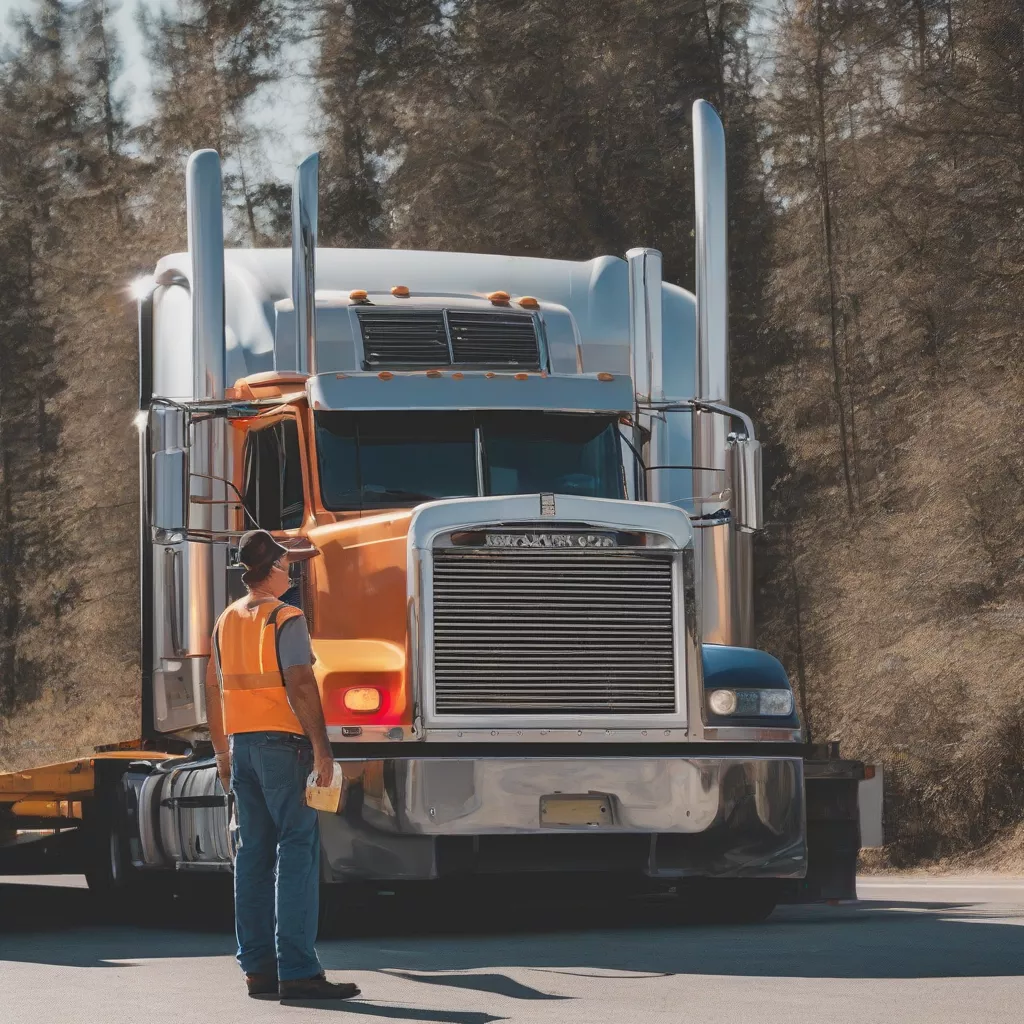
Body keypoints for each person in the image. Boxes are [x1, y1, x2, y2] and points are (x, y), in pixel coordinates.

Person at [204, 529, 360, 1001]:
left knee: (252, 855)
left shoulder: (226, 620)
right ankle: (298, 971)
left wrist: (223, 754)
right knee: (296, 850)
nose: (292, 570)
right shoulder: (286, 616)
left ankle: (258, 971)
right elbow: (299, 681)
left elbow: (213, 690)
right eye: (287, 563)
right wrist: (323, 749)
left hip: (243, 747)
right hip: (281, 747)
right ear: (271, 569)